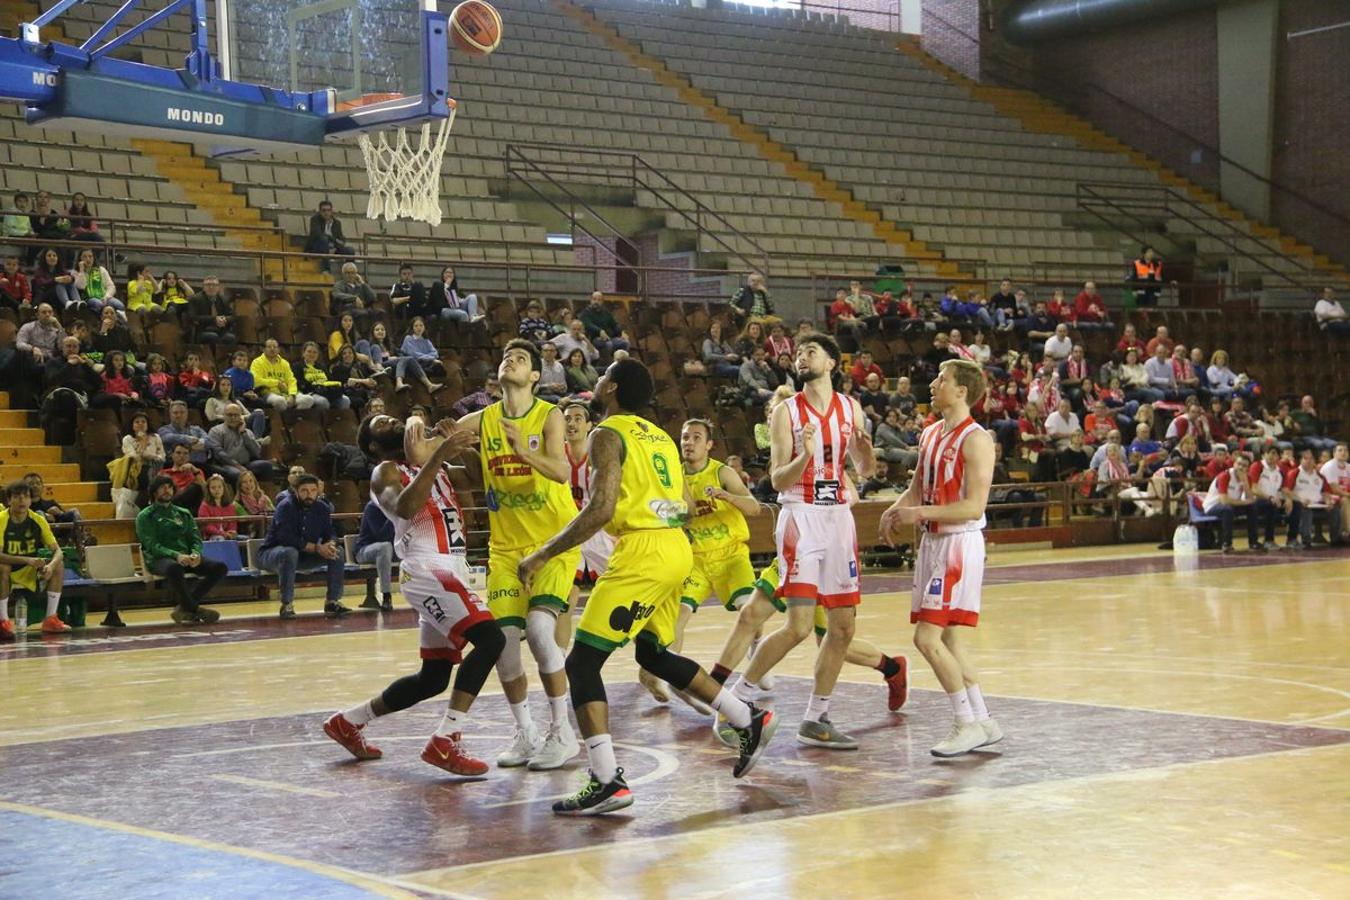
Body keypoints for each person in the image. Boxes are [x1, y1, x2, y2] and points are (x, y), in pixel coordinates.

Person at [518, 357, 777, 815]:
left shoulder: (606, 434)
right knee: (654, 654)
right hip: (676, 548)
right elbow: (683, 510)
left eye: (601, 377)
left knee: (581, 665)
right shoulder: (658, 436)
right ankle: (745, 717)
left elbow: (599, 509)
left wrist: (544, 552)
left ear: (612, 388)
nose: (595, 381)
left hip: (643, 555)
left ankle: (606, 780)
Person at [323, 412, 506, 775]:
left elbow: (474, 477)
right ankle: (445, 739)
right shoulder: (386, 472)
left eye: (390, 416)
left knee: (433, 678)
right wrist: (439, 455)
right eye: (380, 422)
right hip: (427, 567)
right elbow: (405, 506)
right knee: (491, 640)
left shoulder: (429, 463)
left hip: (451, 567)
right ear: (374, 445)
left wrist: (457, 444)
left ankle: (349, 721)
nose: (390, 418)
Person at [727, 332, 875, 749]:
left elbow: (863, 468)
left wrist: (864, 452)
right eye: (797, 354)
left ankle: (816, 717)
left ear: (831, 361)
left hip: (838, 519)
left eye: (811, 351)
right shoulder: (785, 413)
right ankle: (737, 700)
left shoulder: (852, 409)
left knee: (843, 628)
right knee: (797, 626)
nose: (801, 357)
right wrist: (806, 456)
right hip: (800, 517)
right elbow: (776, 479)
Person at [452, 339, 581, 771]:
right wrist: (419, 433)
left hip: (551, 544)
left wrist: (524, 451)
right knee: (504, 647)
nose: (512, 361)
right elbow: (439, 440)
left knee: (541, 633)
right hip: (505, 549)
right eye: (507, 356)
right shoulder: (484, 419)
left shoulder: (549, 414)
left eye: (521, 359)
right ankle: (525, 732)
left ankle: (562, 732)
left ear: (534, 377)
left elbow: (562, 471)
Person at [880, 358, 1001, 758]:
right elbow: (917, 488)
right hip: (933, 543)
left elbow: (973, 506)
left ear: (961, 391)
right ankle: (983, 719)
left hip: (958, 545)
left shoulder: (976, 439)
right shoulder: (931, 433)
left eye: (940, 379)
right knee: (949, 639)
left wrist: (921, 514)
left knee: (926, 638)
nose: (932, 384)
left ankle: (965, 724)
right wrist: (895, 509)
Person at [665, 418, 763, 708]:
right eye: (685, 437)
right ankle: (672, 676)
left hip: (731, 554)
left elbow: (755, 508)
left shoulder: (722, 472)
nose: (689, 442)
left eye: (696, 437)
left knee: (750, 611)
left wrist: (726, 495)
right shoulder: (674, 475)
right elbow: (678, 516)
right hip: (696, 559)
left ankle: (757, 653)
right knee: (677, 617)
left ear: (709, 445)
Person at [136, 475, 226, 625]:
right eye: (162, 487)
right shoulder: (145, 516)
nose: (167, 490)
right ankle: (194, 608)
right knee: (174, 568)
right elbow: (152, 545)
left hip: (186, 556)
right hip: (158, 558)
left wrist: (195, 553)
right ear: (154, 492)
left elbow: (195, 538)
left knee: (219, 568)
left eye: (170, 487)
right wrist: (176, 555)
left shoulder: (183, 513)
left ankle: (184, 607)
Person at [259, 474, 350, 620]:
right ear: (296, 491)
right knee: (290, 552)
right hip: (273, 553)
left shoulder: (322, 508)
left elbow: (331, 533)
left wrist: (330, 545)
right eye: (304, 491)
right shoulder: (285, 506)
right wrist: (317, 548)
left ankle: (333, 601)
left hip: (303, 555)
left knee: (337, 552)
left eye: (313, 491)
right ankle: (287, 604)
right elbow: (286, 538)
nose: (309, 495)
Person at [0, 480, 69, 638]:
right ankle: (3, 621)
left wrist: (50, 567)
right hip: (8, 568)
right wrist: (27, 560)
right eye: (17, 497)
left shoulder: (38, 520)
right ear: (9, 500)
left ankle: (51, 619)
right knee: (3, 566)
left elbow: (58, 551)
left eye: (26, 497)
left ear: (31, 500)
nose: (22, 500)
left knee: (59, 565)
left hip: (29, 569)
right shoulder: (1, 519)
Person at [561, 399, 614, 604]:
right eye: (567, 419)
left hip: (596, 531)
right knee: (566, 593)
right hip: (566, 530)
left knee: (614, 586)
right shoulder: (555, 454)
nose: (571, 424)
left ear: (589, 425)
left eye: (577, 419)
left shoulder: (599, 455)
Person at [207, 403, 274, 484]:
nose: (233, 418)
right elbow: (219, 453)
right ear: (224, 416)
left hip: (246, 464)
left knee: (267, 466)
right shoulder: (215, 431)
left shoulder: (247, 432)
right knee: (238, 474)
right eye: (229, 415)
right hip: (225, 465)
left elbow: (257, 452)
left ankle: (261, 494)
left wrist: (243, 434)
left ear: (241, 416)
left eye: (236, 415)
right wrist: (236, 465)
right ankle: (240, 496)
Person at [1202, 452, 1254, 553]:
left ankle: (1253, 542)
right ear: (1234, 464)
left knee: (1252, 507)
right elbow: (1224, 501)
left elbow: (1250, 499)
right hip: (1213, 506)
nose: (1240, 467)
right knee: (1227, 509)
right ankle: (1227, 544)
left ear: (1248, 468)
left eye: (1244, 466)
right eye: (1239, 464)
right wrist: (1245, 502)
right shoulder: (1225, 476)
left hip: (1233, 504)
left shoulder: (1247, 478)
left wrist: (1245, 483)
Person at [251, 339, 318, 411]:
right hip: (268, 393)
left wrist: (292, 395)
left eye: (275, 347)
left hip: (287, 393)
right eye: (269, 347)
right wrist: (276, 383)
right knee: (280, 401)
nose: (272, 349)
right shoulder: (257, 362)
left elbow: (291, 380)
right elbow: (255, 380)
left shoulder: (284, 363)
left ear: (278, 349)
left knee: (308, 399)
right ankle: (282, 420)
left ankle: (293, 417)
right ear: (264, 349)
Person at [354, 499, 395, 612]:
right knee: (385, 547)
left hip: (392, 550)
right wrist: (394, 516)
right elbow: (381, 536)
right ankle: (386, 596)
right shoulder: (373, 507)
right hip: (364, 550)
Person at [159, 400, 209, 469]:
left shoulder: (197, 429)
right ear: (170, 414)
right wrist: (188, 439)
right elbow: (168, 438)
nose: (179, 415)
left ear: (187, 414)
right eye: (175, 413)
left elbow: (209, 440)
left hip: (200, 466)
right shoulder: (164, 430)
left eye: (182, 412)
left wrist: (201, 443)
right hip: (174, 467)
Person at [304, 199, 354, 268]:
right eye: (324, 210)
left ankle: (349, 271)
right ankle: (326, 270)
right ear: (320, 211)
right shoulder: (315, 220)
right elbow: (318, 234)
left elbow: (341, 237)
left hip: (333, 248)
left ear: (331, 211)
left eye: (328, 210)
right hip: (318, 248)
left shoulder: (337, 223)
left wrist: (341, 241)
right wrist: (334, 240)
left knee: (350, 250)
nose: (326, 213)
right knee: (323, 240)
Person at [579, 291, 630, 358]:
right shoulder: (586, 312)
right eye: (594, 299)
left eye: (599, 300)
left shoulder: (605, 312)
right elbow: (588, 325)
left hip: (608, 338)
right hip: (593, 339)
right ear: (591, 300)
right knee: (608, 344)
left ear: (602, 302)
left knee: (625, 343)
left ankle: (620, 363)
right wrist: (600, 331)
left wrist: (622, 332)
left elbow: (614, 324)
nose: (596, 302)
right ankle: (607, 363)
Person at [198, 474, 240, 541]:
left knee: (244, 539)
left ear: (224, 488)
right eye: (213, 488)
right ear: (208, 490)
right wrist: (223, 534)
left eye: (219, 487)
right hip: (211, 536)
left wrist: (232, 532)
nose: (217, 490)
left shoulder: (230, 506)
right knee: (219, 538)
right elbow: (207, 526)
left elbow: (233, 523)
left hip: (228, 535)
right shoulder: (204, 506)